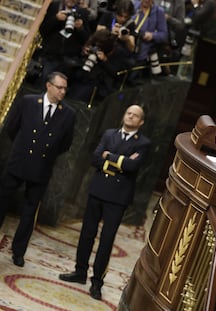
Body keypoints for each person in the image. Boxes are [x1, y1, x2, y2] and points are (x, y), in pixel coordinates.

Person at [58, 105, 150, 300]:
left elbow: (132, 166)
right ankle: (79, 272)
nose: (130, 116)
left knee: (106, 240)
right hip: (98, 190)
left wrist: (109, 156)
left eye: (135, 116)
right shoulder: (109, 134)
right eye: (128, 113)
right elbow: (95, 158)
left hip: (117, 198)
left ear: (140, 122)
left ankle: (97, 281)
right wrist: (120, 161)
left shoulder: (142, 143)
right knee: (86, 234)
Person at [0, 72, 76, 267]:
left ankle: (18, 252)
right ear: (48, 86)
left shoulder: (68, 114)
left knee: (29, 212)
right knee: (2, 202)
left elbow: (65, 144)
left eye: (65, 88)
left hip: (41, 168)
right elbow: (11, 128)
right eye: (59, 87)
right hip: (18, 162)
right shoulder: (28, 102)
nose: (62, 91)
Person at [38, 0, 91, 82]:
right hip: (51, 56)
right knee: (46, 82)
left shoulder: (83, 13)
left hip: (69, 59)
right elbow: (43, 30)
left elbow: (86, 39)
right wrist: (55, 19)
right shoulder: (54, 6)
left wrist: (81, 28)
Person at [129, 0, 168, 80]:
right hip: (127, 48)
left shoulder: (158, 12)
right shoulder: (133, 5)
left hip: (141, 53)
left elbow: (164, 35)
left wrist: (152, 35)